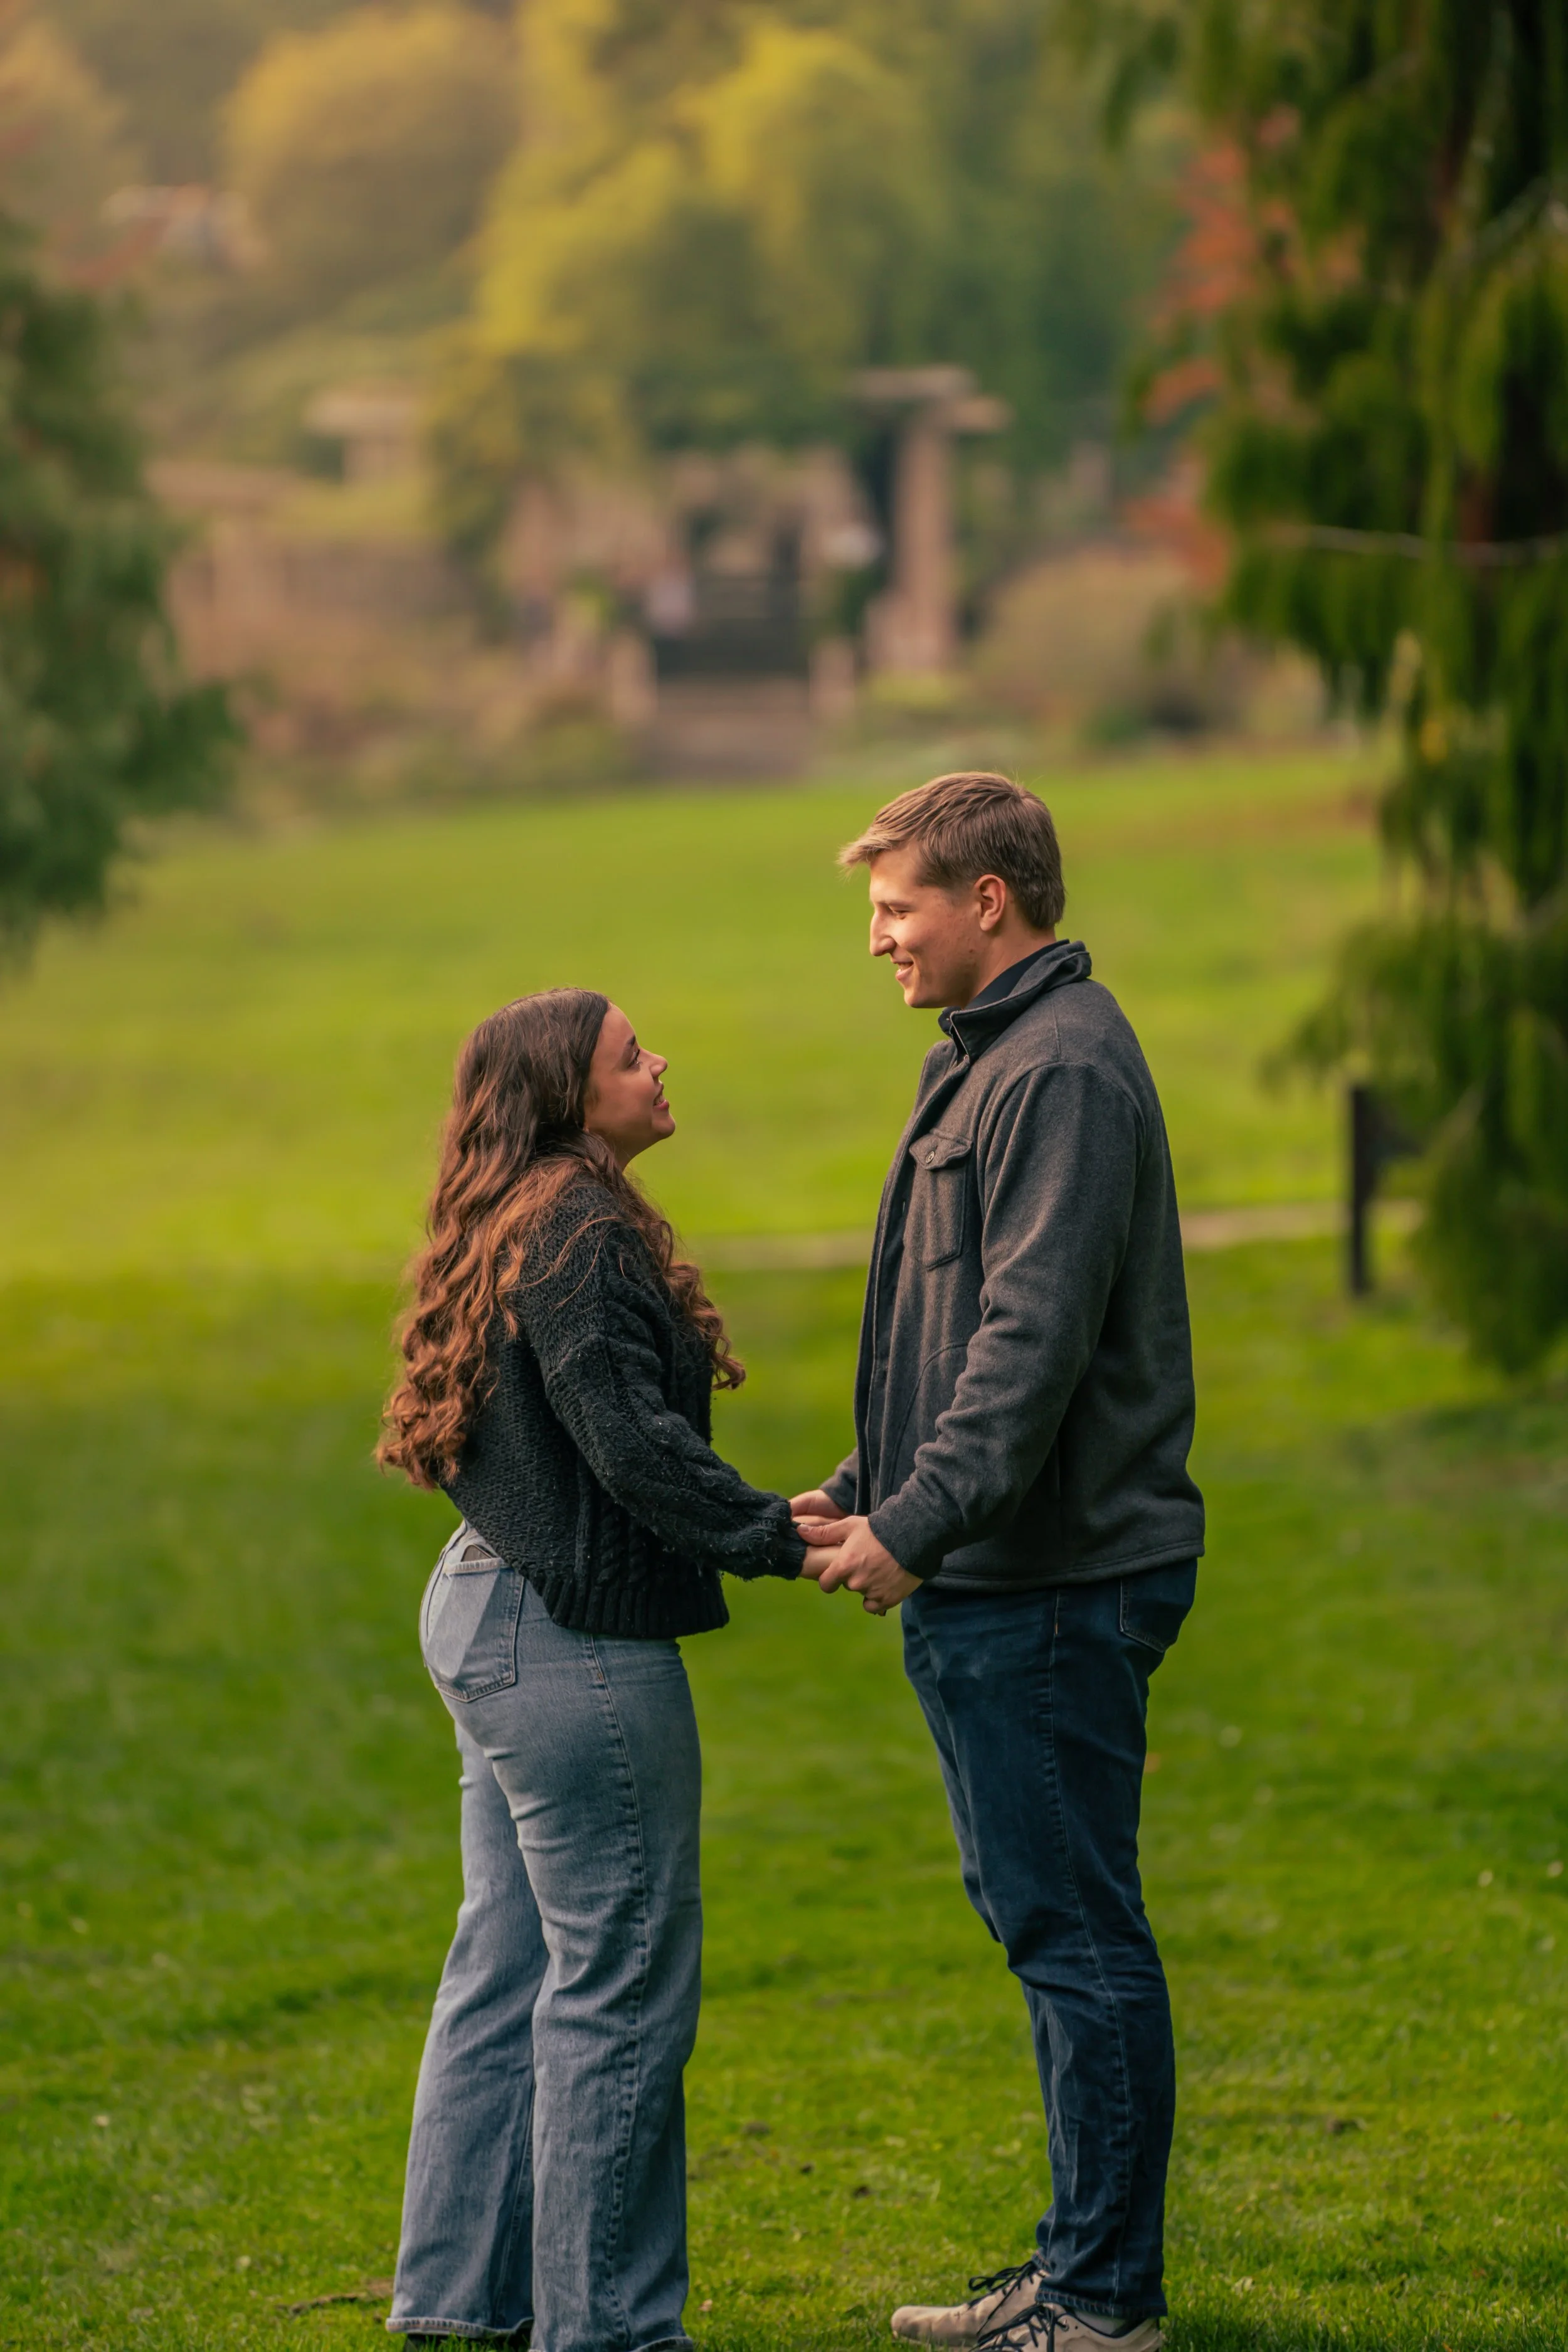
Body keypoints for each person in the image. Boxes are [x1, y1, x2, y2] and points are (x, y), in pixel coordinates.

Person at [793, 773, 1204, 2352]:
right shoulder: (983, 1063)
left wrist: (916, 1523)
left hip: (1049, 1581)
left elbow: (1028, 1349)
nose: (879, 940)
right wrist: (861, 1490)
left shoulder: (1063, 1074)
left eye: (897, 909)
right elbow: (944, 1335)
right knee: (1049, 1929)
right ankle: (1074, 2265)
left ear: (988, 900)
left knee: (1076, 1937)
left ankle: (1102, 2308)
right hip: (995, 1569)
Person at [376, 987, 807, 2350]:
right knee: (615, 1980)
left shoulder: (534, 1214)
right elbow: (625, 1446)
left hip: (491, 1606)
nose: (659, 1061)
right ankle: (608, 2328)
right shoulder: (574, 1233)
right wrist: (771, 1537)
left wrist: (765, 1519)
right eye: (631, 1054)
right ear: (570, 1096)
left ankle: (463, 2302)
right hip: (566, 1633)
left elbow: (596, 1436)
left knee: (506, 1965)